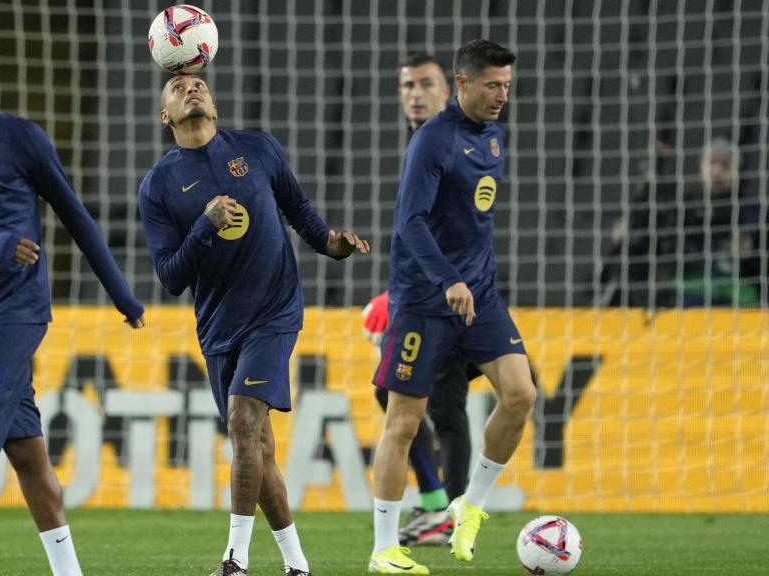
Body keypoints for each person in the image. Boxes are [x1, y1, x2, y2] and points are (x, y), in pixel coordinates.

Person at [0, 33, 145, 576]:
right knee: (27, 453)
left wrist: (120, 292)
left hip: (18, 308)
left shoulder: (19, 138)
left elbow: (75, 214)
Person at [138, 73, 369, 576]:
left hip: (275, 310)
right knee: (257, 446)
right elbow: (170, 277)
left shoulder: (258, 148)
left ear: (215, 106)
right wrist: (204, 225)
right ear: (165, 116)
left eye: (198, 84)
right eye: (177, 89)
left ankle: (234, 561)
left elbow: (300, 212)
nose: (191, 90)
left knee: (244, 420)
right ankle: (298, 566)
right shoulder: (158, 186)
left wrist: (333, 244)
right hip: (218, 325)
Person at [367, 39, 534, 574]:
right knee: (403, 422)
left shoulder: (495, 137)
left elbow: (471, 223)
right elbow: (409, 223)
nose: (501, 95)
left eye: (507, 85)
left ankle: (470, 505)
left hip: (478, 296)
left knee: (520, 394)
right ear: (463, 84)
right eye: (492, 85)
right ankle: (385, 548)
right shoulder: (431, 142)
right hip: (424, 300)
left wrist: (470, 281)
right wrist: (446, 281)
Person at [362, 53, 474, 549]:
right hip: (424, 294)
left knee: (446, 405)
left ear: (447, 91)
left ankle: (448, 512)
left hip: (452, 296)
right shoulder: (422, 142)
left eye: (425, 84)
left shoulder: (455, 141)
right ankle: (437, 506)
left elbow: (459, 228)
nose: (414, 93)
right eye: (406, 85)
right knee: (392, 395)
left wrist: (444, 282)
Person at [599, 136, 761, 307]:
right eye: (712, 163)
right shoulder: (685, 205)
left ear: (739, 171)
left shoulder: (753, 210)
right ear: (701, 167)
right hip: (685, 296)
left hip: (737, 299)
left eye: (725, 165)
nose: (717, 171)